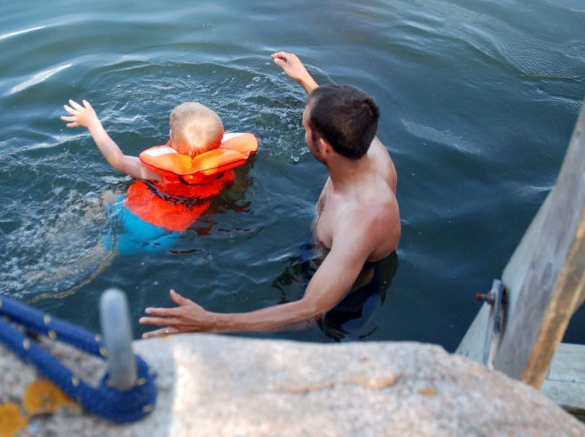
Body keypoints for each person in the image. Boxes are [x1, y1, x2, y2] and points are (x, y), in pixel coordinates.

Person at [139, 52, 400, 337]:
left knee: (320, 326)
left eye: (305, 128)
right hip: (325, 246)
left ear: (323, 146)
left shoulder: (361, 222)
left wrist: (209, 322)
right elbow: (342, 117)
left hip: (347, 291)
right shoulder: (364, 144)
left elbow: (309, 311)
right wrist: (303, 78)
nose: (303, 131)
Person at [61, 99, 257, 254]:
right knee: (102, 254)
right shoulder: (225, 172)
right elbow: (237, 191)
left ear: (172, 137)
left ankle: (58, 242)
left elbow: (117, 160)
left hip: (136, 213)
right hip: (163, 233)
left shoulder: (163, 172)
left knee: (102, 199)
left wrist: (92, 123)